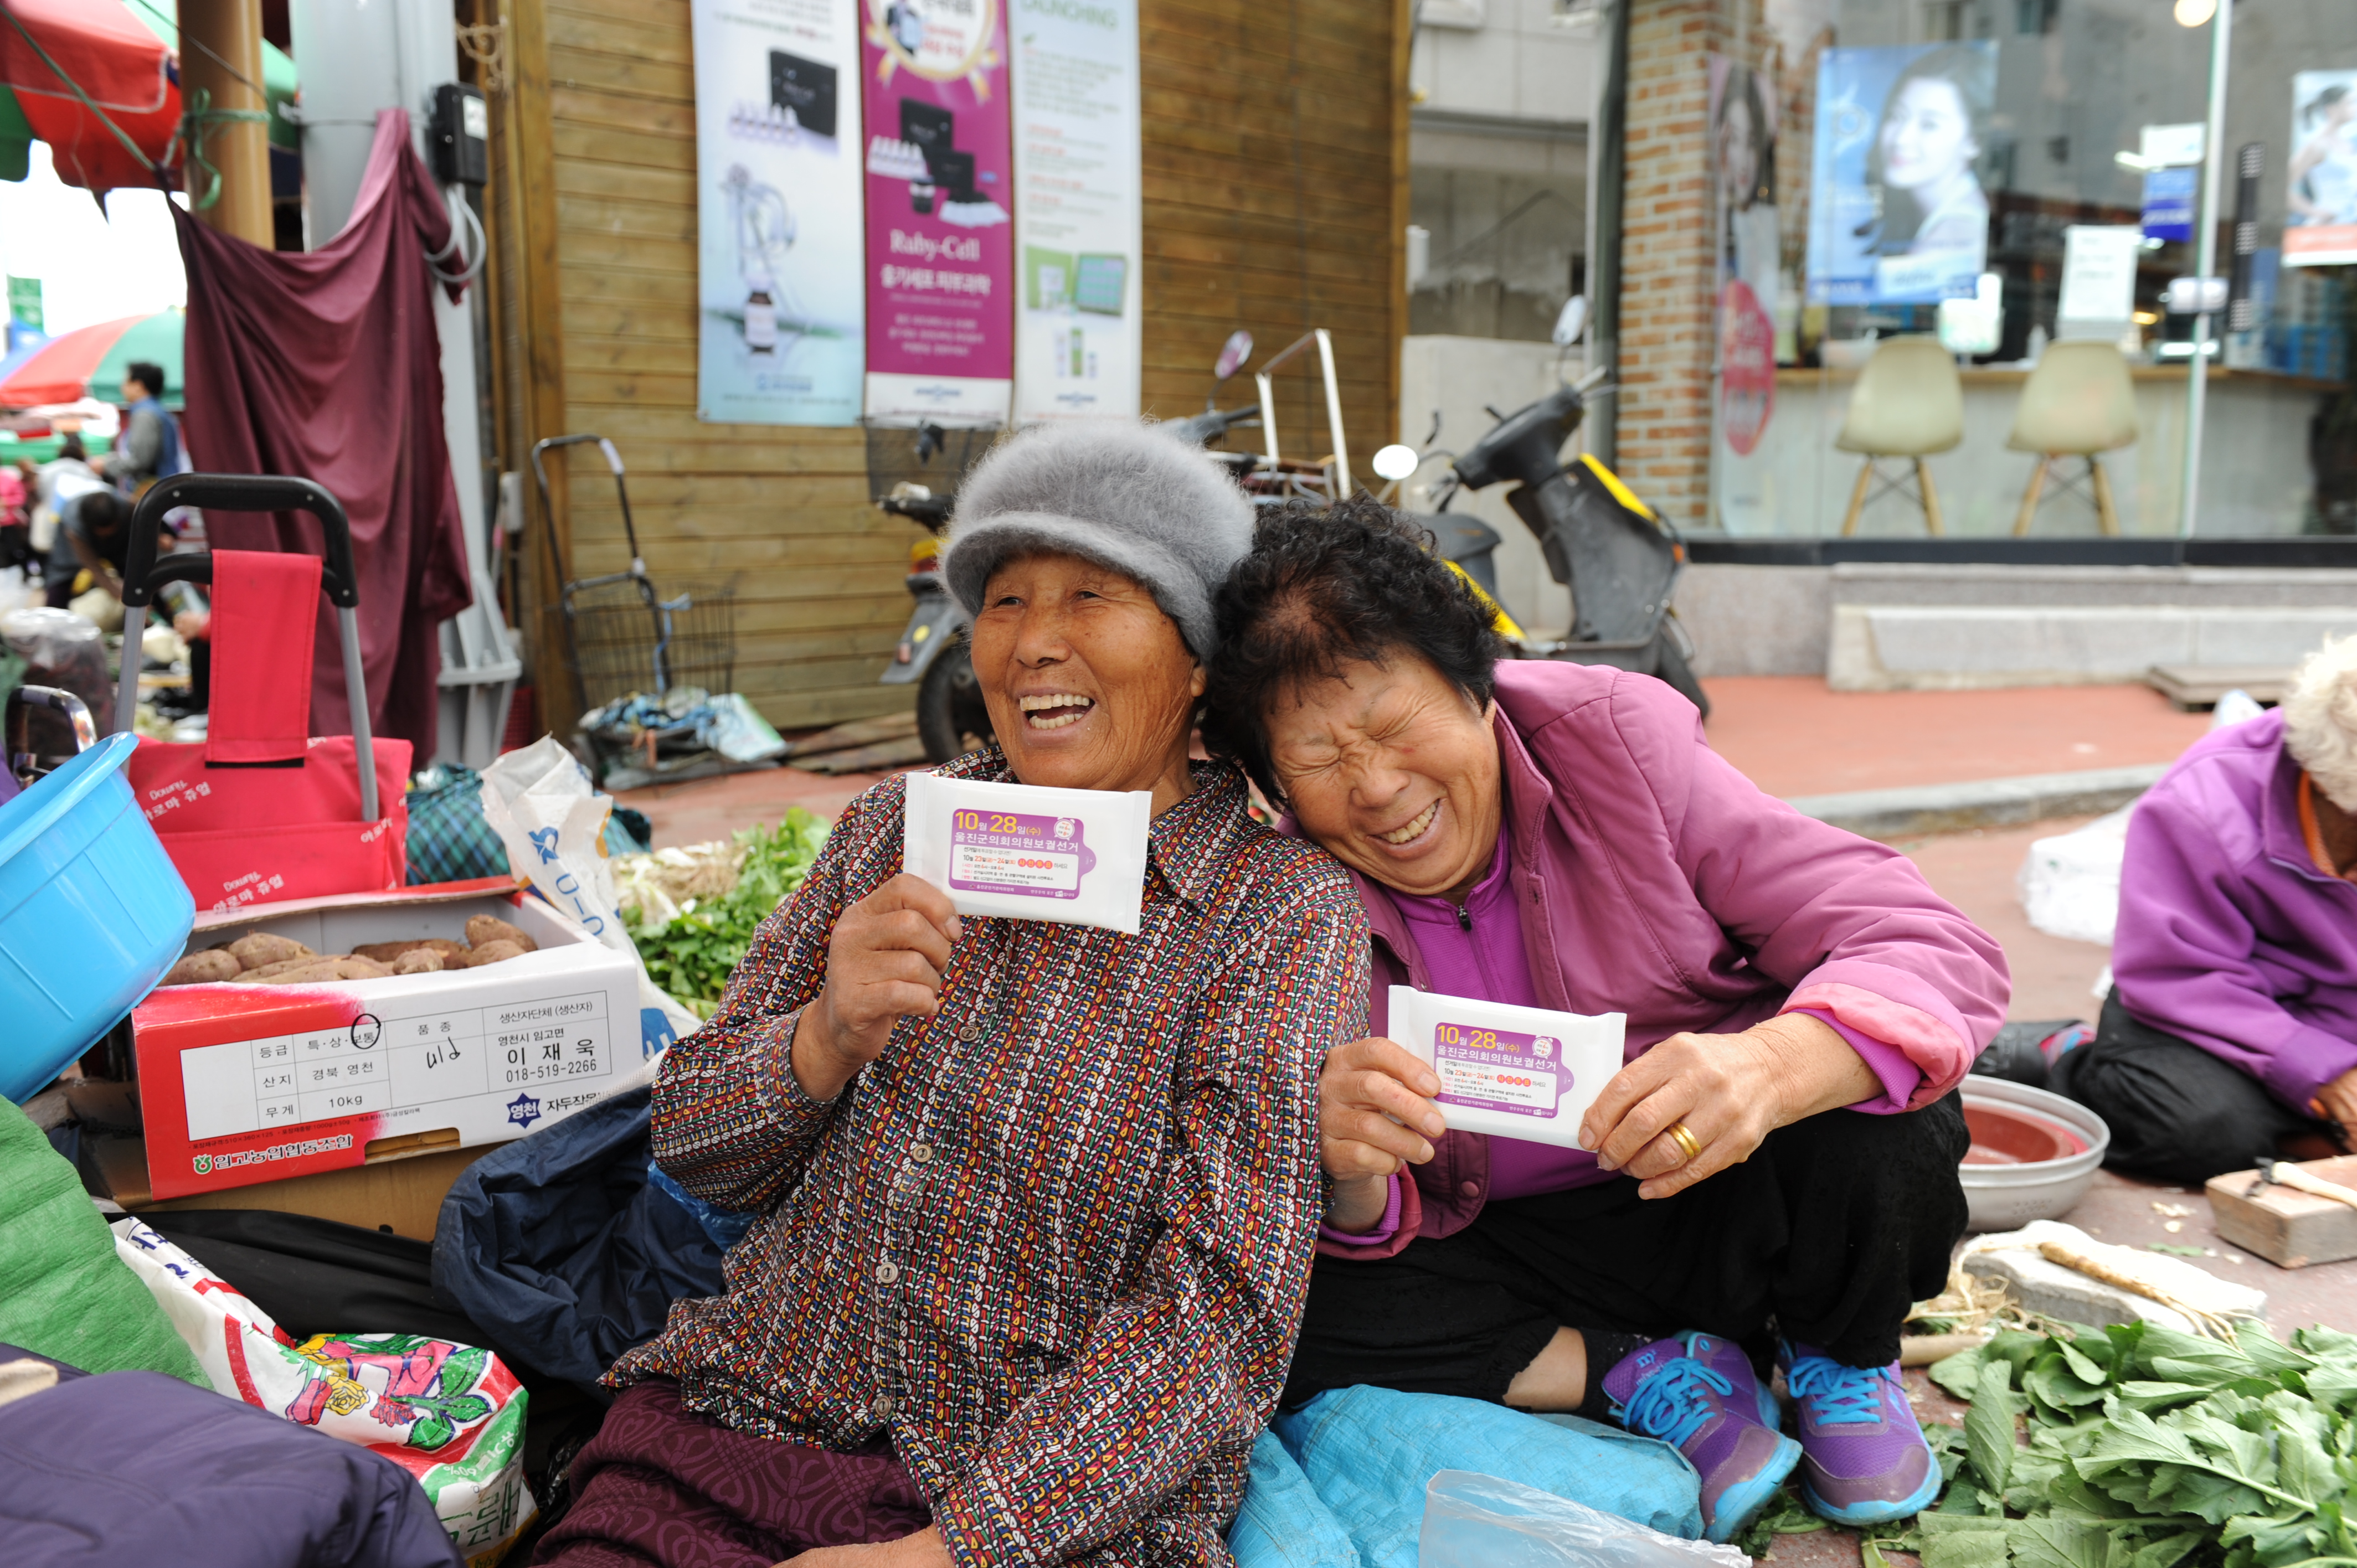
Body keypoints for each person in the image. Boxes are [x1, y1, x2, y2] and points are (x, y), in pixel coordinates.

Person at [537, 421, 1370, 1568]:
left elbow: (1224, 1314)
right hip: (756, 1406)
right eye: (1006, 601)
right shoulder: (897, 824)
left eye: (1090, 597)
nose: (1033, 646)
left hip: (1034, 1505)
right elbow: (691, 1148)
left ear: (1192, 661)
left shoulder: (1274, 912)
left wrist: (941, 1554)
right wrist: (822, 1037)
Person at [1203, 500, 2008, 1542]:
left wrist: (1769, 1064)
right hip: (1497, 1248)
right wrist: (1347, 1167)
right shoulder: (1276, 886)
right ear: (1272, 785)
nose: (1378, 787)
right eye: (1317, 759)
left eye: (1398, 726)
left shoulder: (1620, 749)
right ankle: (1646, 1368)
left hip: (1714, 1194)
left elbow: (1929, 946)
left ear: (1479, 690)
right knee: (1271, 1301)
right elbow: (1345, 1216)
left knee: (1884, 1101)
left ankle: (1839, 1355)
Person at [2051, 638, 2357, 1185]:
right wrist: (2327, 1072)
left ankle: (2299, 1126)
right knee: (2204, 1132)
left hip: (2339, 1016)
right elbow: (2176, 975)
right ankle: (2064, 1060)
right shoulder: (2204, 802)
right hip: (2206, 1009)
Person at [1869, 47, 1991, 256]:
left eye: (1929, 125)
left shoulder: (1953, 234)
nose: (1901, 139)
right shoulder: (1929, 218)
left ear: (1974, 142)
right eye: (1897, 116)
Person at [101, 361, 183, 496]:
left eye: (126, 382)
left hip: (153, 493)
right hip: (164, 491)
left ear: (138, 386)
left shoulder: (145, 415)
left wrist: (107, 465)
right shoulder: (159, 411)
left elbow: (139, 461)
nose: (122, 388)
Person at [2289, 83, 2356, 228]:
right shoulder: (2316, 146)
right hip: (2327, 228)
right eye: (2350, 103)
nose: (2355, 108)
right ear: (2332, 109)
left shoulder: (2349, 142)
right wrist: (2316, 212)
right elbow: (2285, 186)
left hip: (2350, 224)